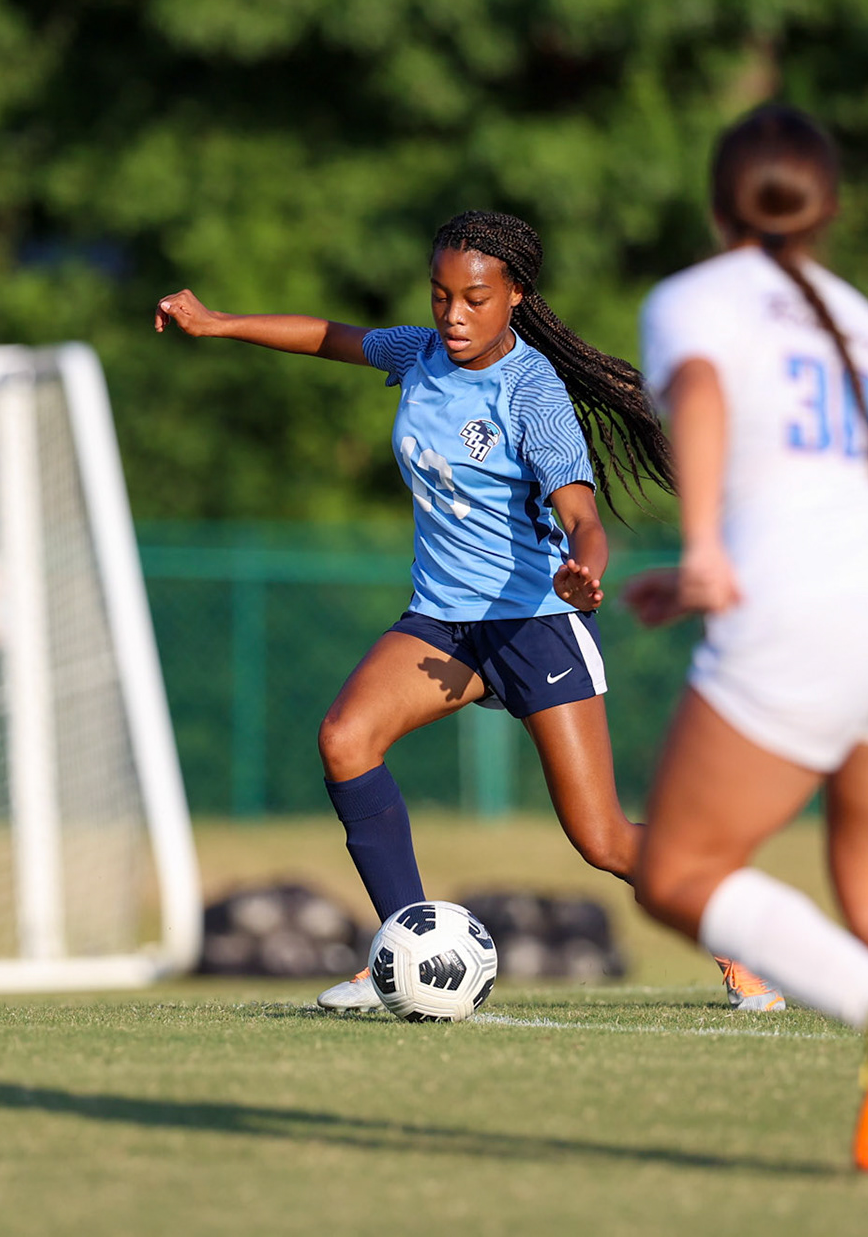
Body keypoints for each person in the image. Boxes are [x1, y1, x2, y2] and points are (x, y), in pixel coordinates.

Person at [156, 210, 783, 1012]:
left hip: (534, 624)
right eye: (441, 295)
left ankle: (741, 938)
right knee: (347, 740)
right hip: (442, 625)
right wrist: (217, 323)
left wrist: (583, 575)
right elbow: (330, 335)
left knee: (601, 839)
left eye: (474, 298)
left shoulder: (534, 393)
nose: (453, 314)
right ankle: (402, 951)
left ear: (516, 295)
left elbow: (584, 519)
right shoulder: (417, 354)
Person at [628, 104, 868, 1185]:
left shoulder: (691, 297)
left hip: (805, 600)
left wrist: (703, 547)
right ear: (829, 207)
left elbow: (704, 390)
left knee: (678, 869)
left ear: (719, 203)